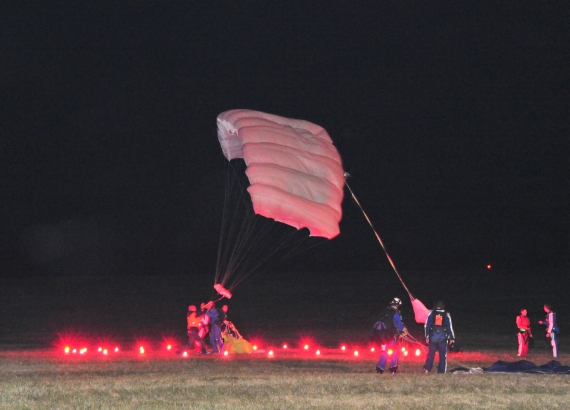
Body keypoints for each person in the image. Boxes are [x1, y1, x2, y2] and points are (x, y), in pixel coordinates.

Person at [373, 297, 408, 374]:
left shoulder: (383, 312)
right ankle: (393, 369)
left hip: (382, 336)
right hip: (392, 336)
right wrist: (404, 330)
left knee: (384, 352)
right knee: (395, 352)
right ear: (397, 305)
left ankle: (380, 369)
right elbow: (400, 326)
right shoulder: (395, 314)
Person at [423, 300, 455, 374]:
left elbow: (427, 325)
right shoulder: (446, 314)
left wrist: (426, 336)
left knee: (431, 354)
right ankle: (441, 371)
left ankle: (426, 370)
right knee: (443, 355)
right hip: (443, 337)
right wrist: (452, 338)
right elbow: (449, 327)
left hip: (433, 336)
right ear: (443, 306)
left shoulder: (432, 313)